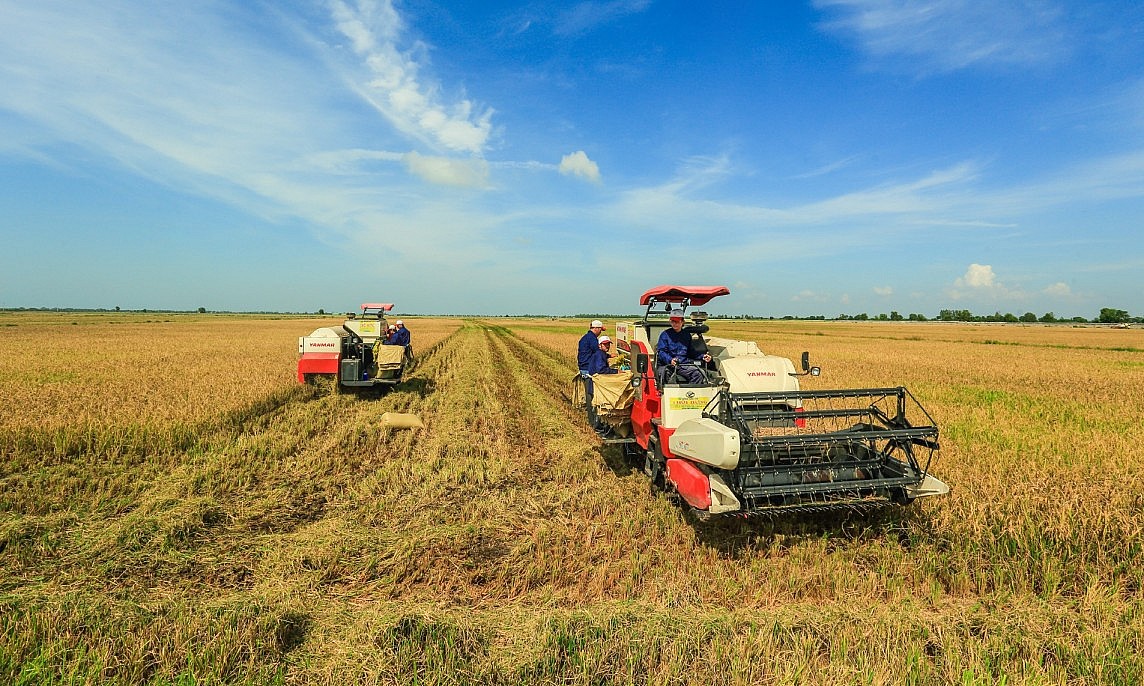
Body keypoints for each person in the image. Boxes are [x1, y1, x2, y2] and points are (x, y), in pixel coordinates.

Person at [656, 309, 711, 384]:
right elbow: (661, 352)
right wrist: (670, 360)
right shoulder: (665, 335)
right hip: (667, 365)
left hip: (682, 365)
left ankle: (690, 393)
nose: (674, 324)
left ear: (682, 322)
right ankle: (668, 395)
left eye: (677, 321)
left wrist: (702, 356)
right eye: (672, 321)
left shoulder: (686, 335)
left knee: (698, 374)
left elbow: (691, 352)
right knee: (663, 374)